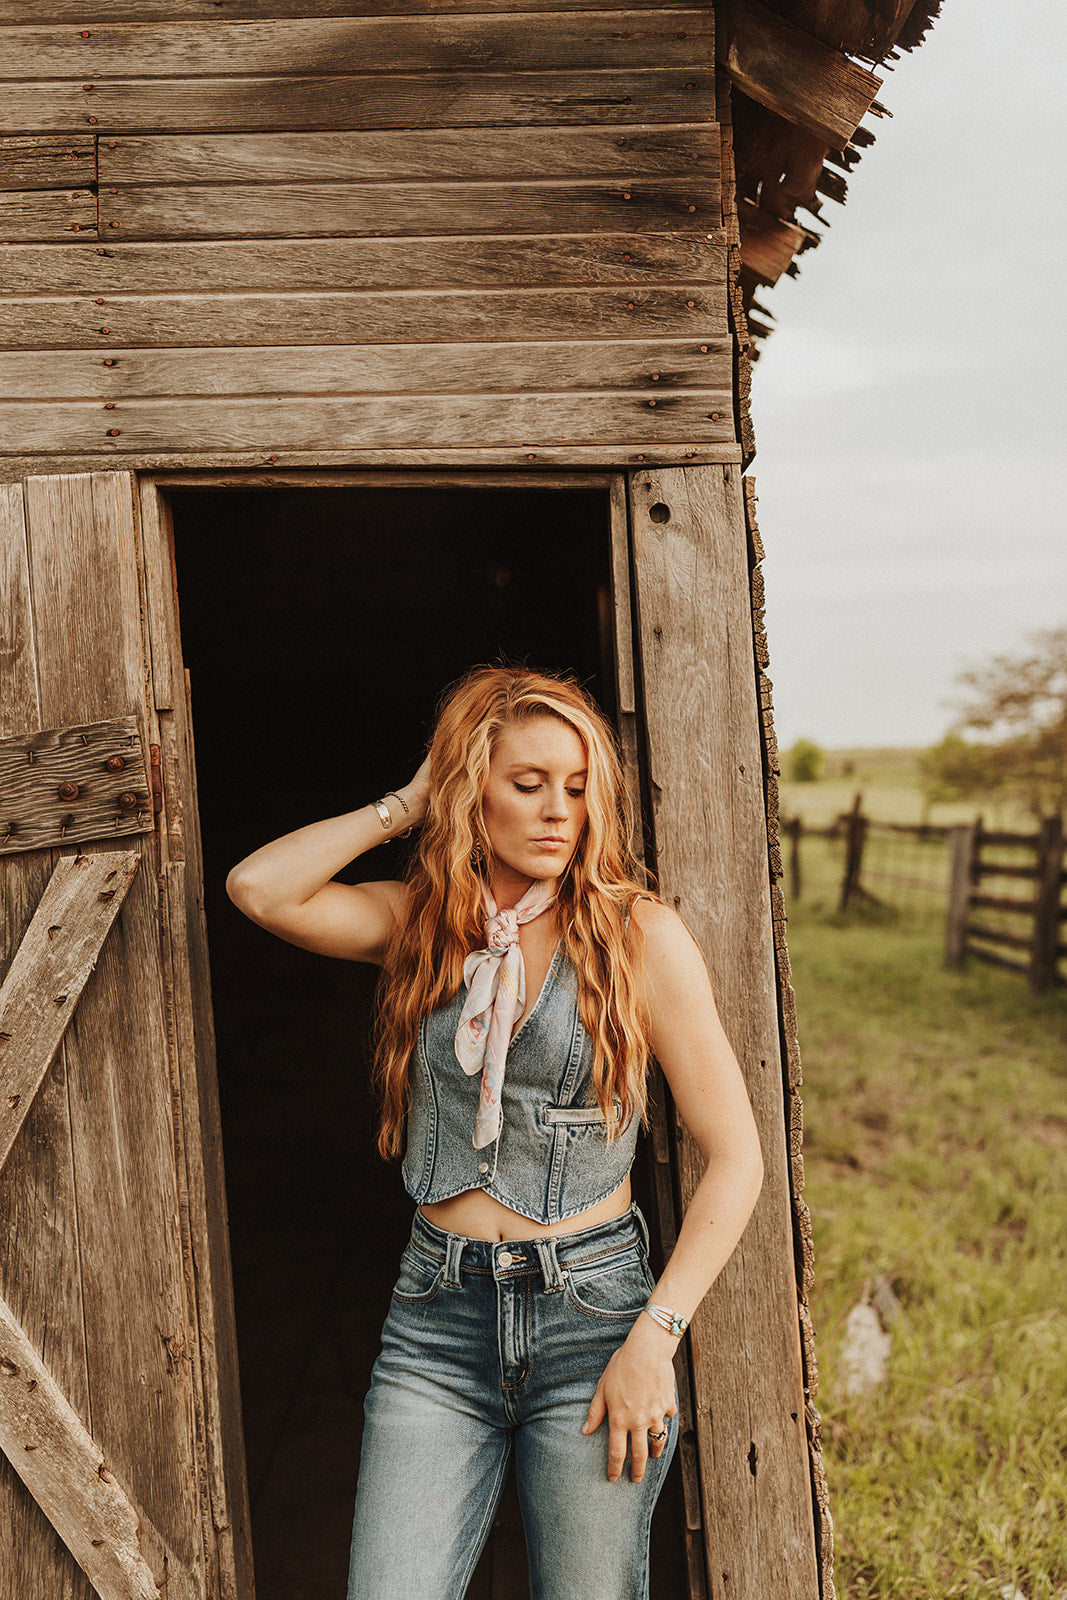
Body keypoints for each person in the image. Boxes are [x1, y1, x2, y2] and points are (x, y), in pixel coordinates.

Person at [226, 665, 764, 1600]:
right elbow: (259, 888)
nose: (559, 810)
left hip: (592, 1321)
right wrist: (407, 802)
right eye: (528, 783)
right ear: (473, 789)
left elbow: (737, 1157)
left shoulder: (638, 937)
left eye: (576, 785)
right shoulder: (423, 925)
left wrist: (653, 1338)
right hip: (437, 1321)